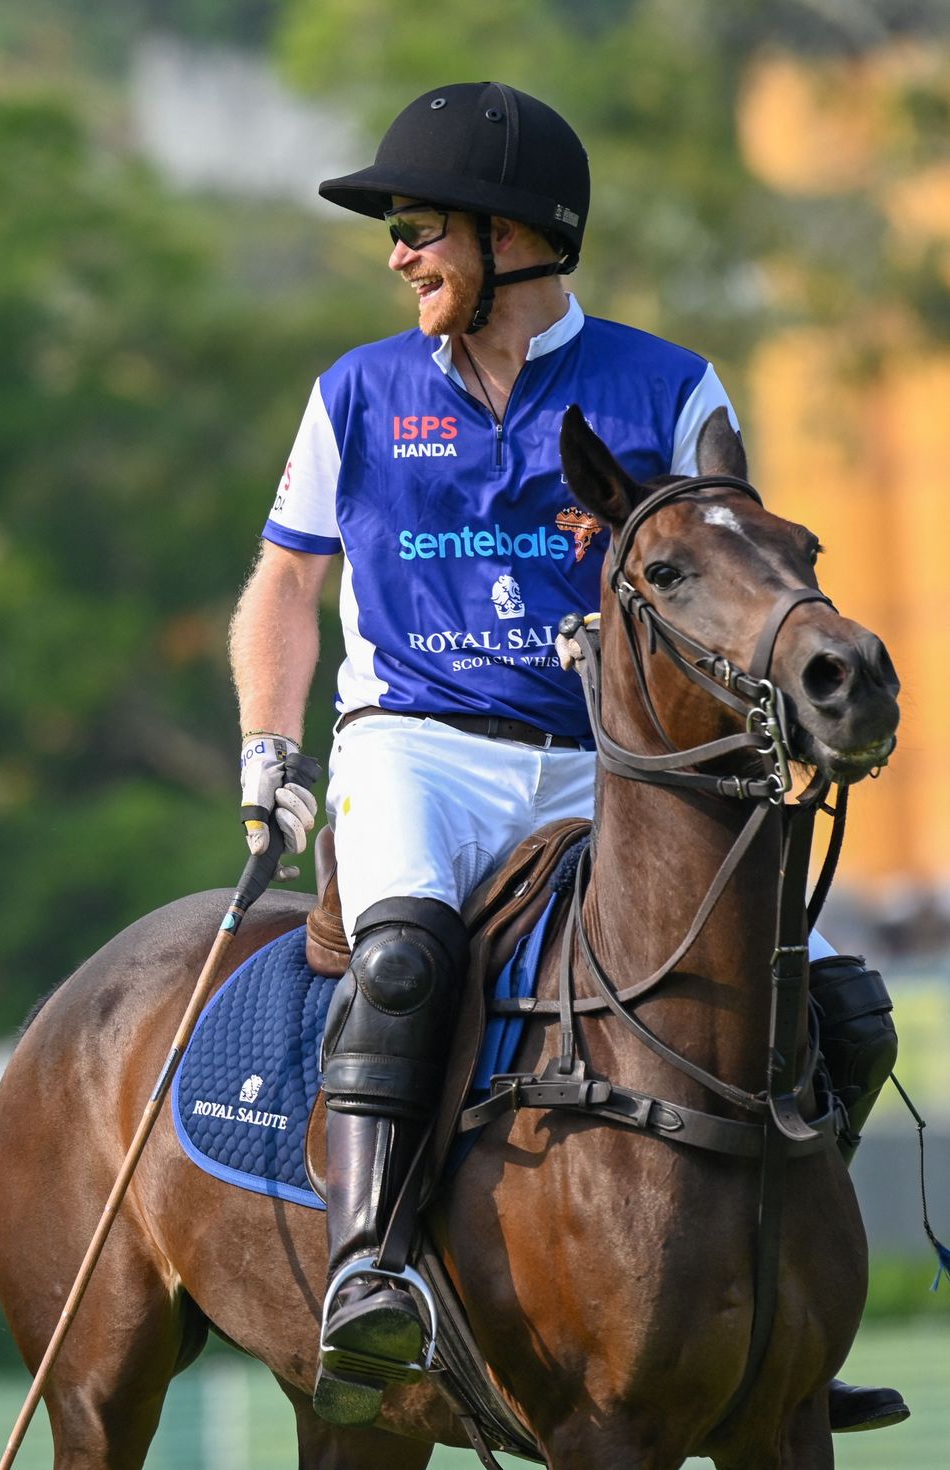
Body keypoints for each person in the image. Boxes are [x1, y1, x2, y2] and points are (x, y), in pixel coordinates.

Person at [229, 82, 906, 1434]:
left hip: (617, 764)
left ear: (512, 238)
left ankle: (787, 1319)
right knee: (408, 952)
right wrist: (268, 747)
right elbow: (281, 590)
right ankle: (369, 1267)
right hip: (418, 748)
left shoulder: (669, 387)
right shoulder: (356, 394)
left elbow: (733, 557)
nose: (401, 255)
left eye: (422, 227)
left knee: (837, 997)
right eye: (400, 234)